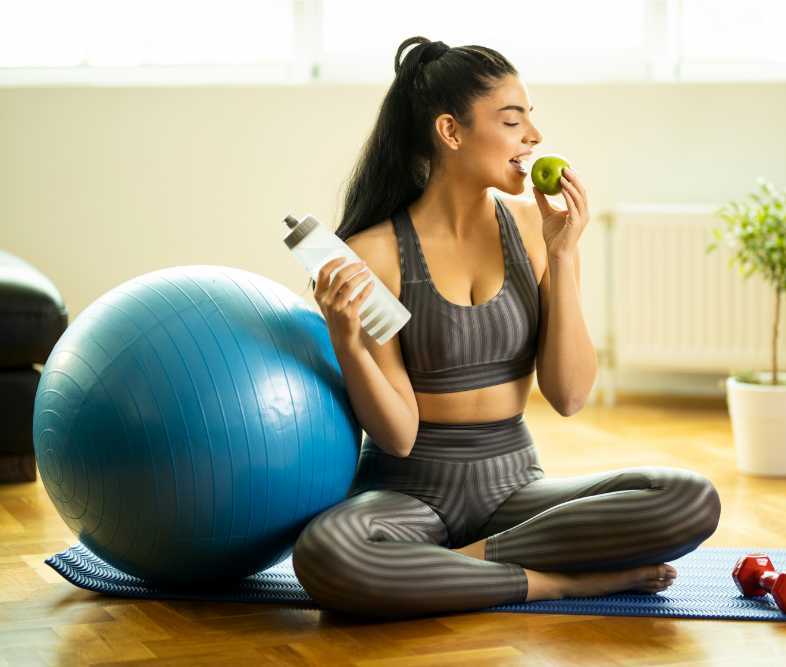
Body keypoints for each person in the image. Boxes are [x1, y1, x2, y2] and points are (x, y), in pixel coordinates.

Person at [291, 36, 721, 620]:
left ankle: (453, 568)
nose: (535, 139)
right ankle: (558, 585)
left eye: (530, 121)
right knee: (327, 554)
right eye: (513, 121)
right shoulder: (374, 253)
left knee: (687, 499)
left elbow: (568, 396)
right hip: (409, 497)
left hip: (516, 491)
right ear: (451, 132)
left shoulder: (532, 232)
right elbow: (398, 437)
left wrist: (563, 254)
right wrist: (347, 341)